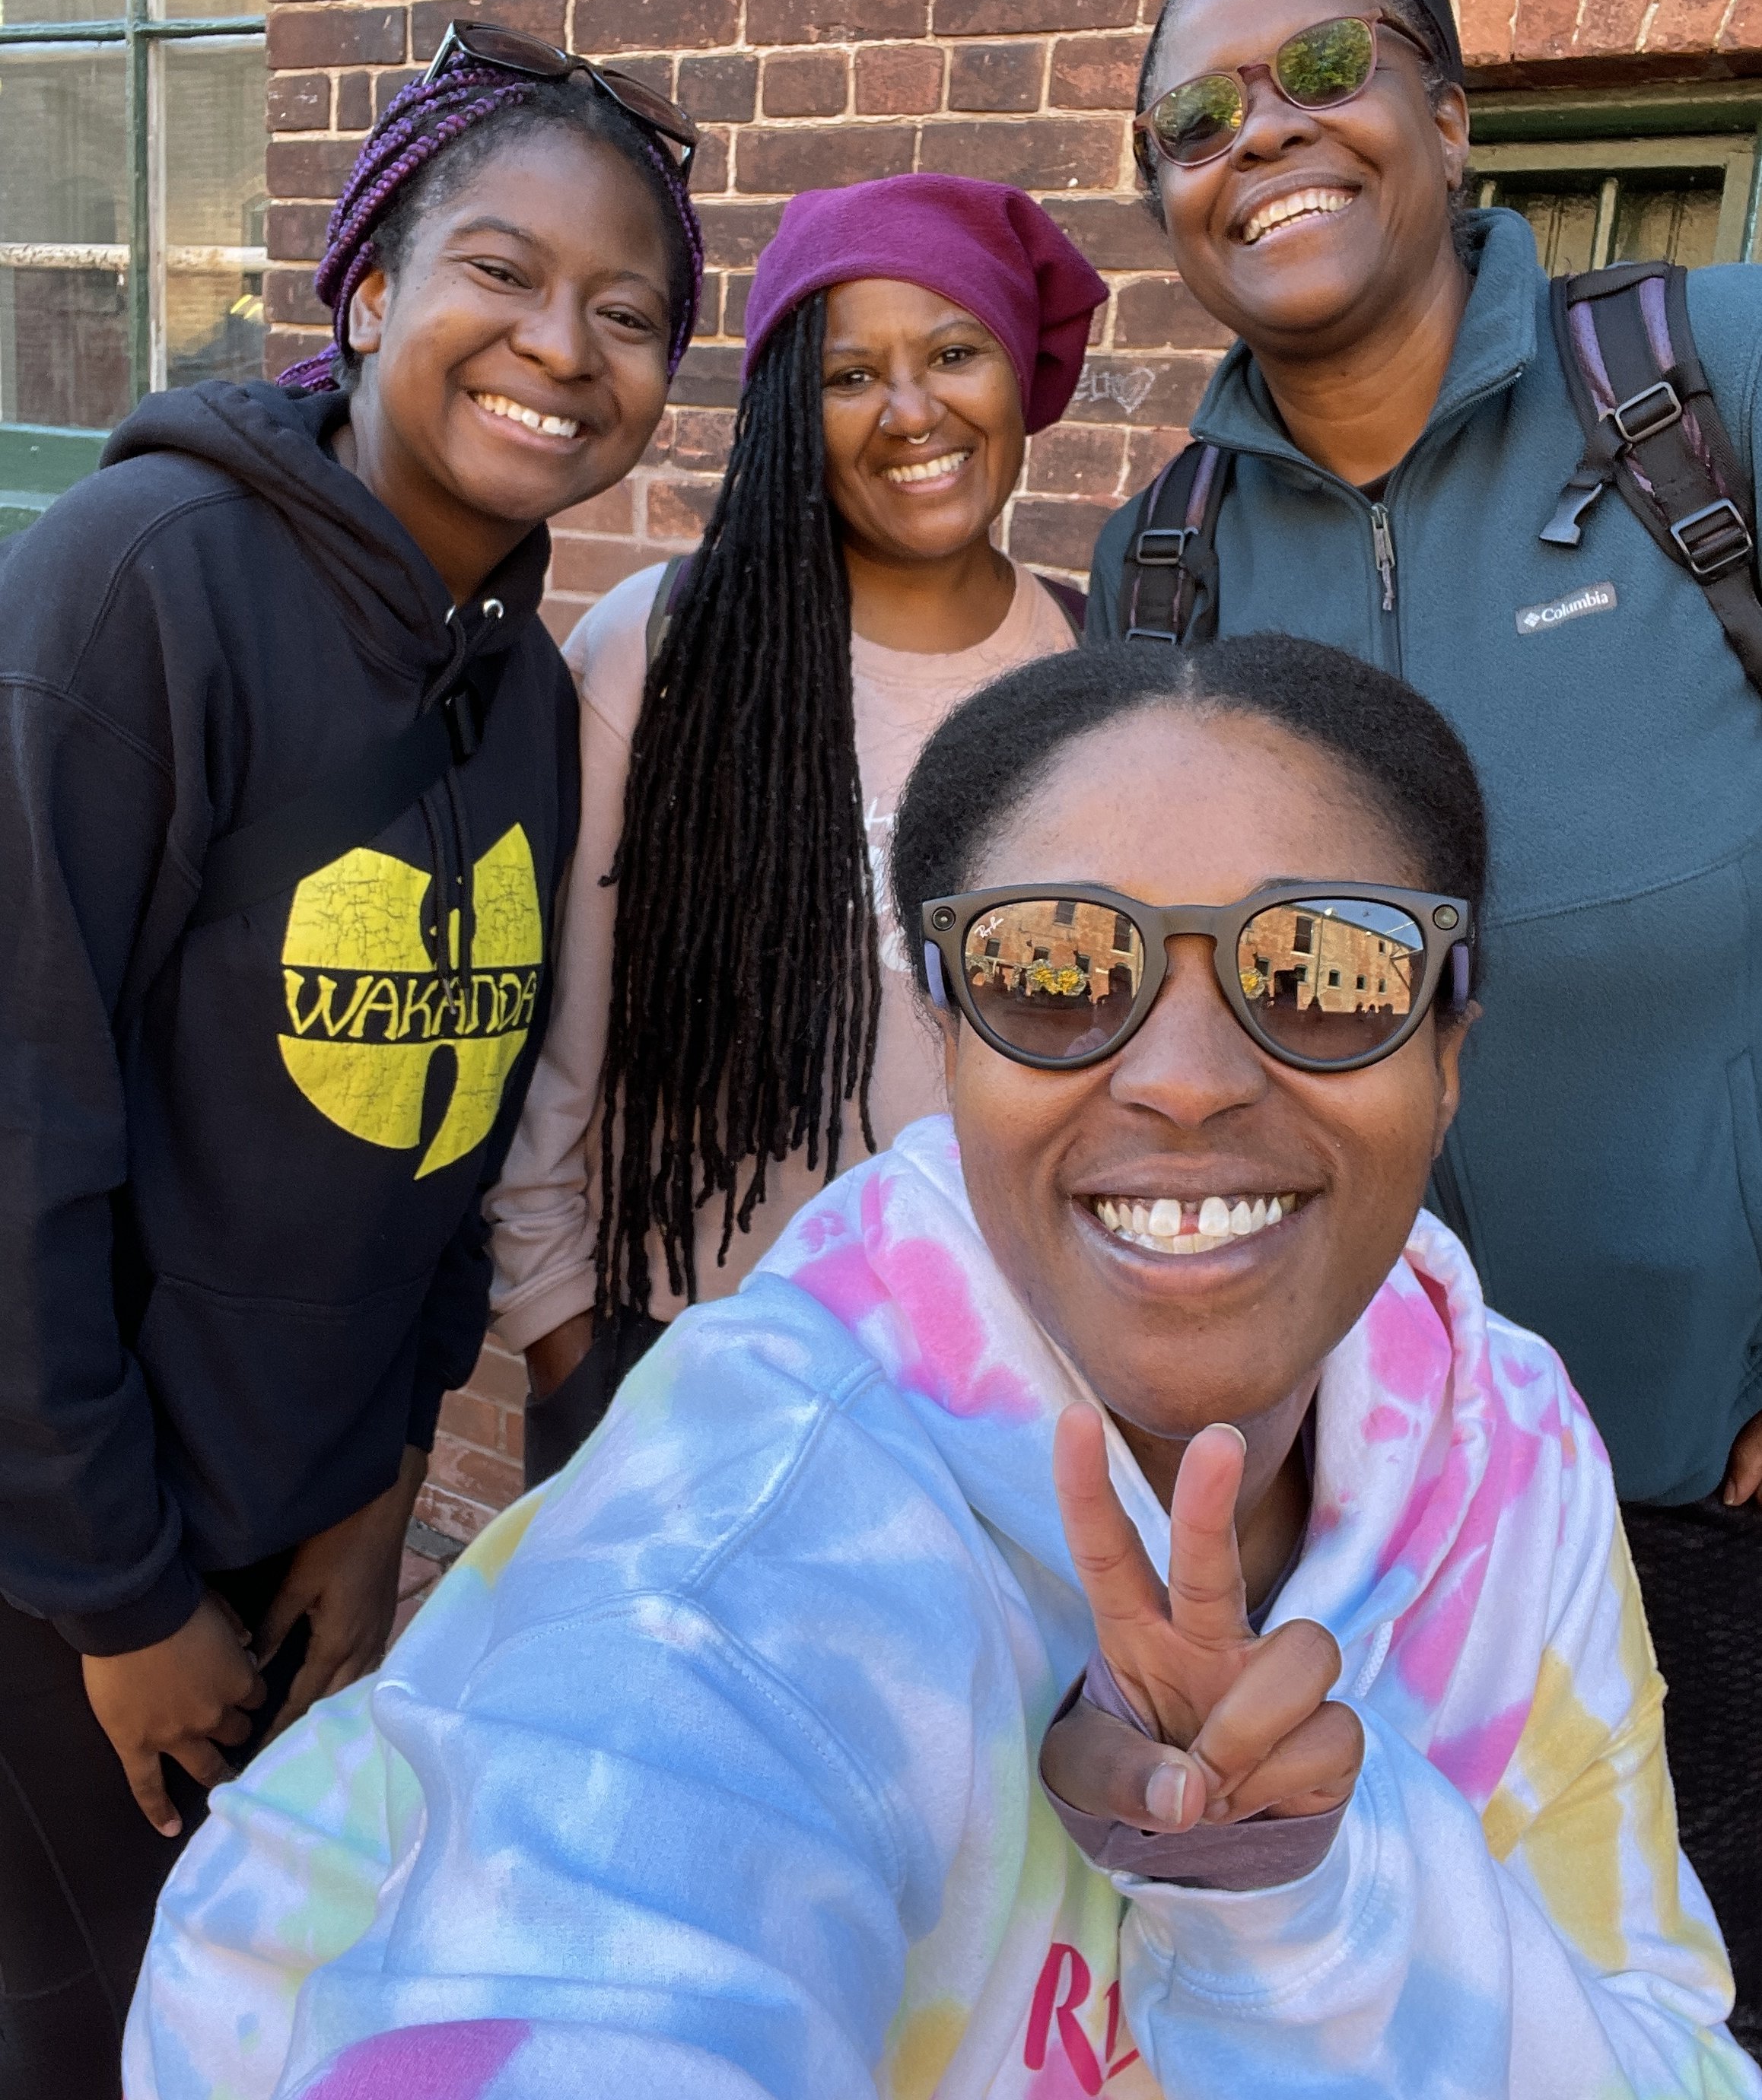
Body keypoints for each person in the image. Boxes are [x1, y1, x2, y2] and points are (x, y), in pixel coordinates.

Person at [127, 637, 1758, 2100]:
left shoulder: (1504, 1433)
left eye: (1319, 970)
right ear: (948, 1025)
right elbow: (592, 1921)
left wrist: (1304, 1885)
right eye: (1060, 971)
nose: (1186, 1080)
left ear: (1449, 1048)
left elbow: (1671, 2049)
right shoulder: (750, 1529)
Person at [0, 21, 701, 2097]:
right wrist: (121, 1601)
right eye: (500, 273)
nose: (560, 345)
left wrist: (376, 1495)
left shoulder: (507, 677)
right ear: (370, 283)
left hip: (293, 1549)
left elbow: (442, 1149)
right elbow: (20, 1139)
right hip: (65, 1578)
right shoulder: (137, 589)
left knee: (248, 2021)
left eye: (629, 311)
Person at [1085, 0, 1762, 2051]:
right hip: (1354, 1538)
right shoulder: (1162, 561)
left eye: (1318, 69)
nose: (1257, 135)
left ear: (1447, 117)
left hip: (1709, 1498)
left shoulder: (1706, 393)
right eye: (1193, 119)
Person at [487, 172, 1107, 1479]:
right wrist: (568, 1350)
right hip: (684, 1371)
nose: (912, 410)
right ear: (785, 416)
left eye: (955, 352)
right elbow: (556, 1052)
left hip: (1003, 1399)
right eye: (848, 376)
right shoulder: (662, 650)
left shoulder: (1096, 669)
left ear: (1016, 378)